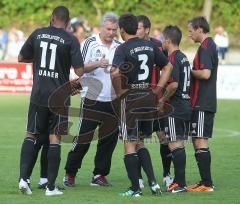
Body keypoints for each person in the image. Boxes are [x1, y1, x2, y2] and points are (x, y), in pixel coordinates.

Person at [18, 6, 84, 196]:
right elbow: (79, 71)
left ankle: (24, 180)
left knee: (31, 134)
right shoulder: (71, 39)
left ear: (52, 17)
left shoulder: (38, 34)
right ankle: (50, 187)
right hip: (59, 97)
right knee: (55, 138)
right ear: (67, 20)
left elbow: (21, 57)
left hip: (38, 94)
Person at [111, 13, 173, 197]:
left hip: (131, 98)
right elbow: (168, 67)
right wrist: (158, 88)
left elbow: (114, 73)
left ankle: (135, 188)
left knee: (129, 144)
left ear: (122, 29)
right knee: (139, 142)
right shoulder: (151, 45)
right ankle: (153, 183)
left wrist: (120, 91)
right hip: (148, 96)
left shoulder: (122, 49)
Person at [63, 12, 120, 187]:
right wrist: (97, 64)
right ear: (101, 27)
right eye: (109, 29)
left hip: (112, 100)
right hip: (92, 98)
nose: (111, 33)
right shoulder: (90, 43)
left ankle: (99, 175)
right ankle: (70, 173)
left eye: (114, 29)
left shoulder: (119, 46)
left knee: (108, 140)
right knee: (83, 138)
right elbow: (79, 68)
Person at [136, 15, 173, 188]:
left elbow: (166, 69)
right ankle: (138, 178)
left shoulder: (158, 46)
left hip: (156, 100)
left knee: (162, 137)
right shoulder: (129, 46)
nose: (136, 31)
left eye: (139, 27)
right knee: (137, 139)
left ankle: (167, 174)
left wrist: (159, 93)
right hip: (137, 101)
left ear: (147, 30)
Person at [187, 16, 218, 192]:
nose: (189, 34)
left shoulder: (205, 47)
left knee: (200, 140)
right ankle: (204, 182)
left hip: (202, 102)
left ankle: (207, 184)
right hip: (202, 102)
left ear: (199, 29)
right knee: (197, 140)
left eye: (191, 30)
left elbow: (205, 74)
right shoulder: (208, 46)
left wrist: (188, 71)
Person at [160, 25, 192, 193]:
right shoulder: (184, 57)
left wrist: (162, 100)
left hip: (175, 107)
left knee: (174, 144)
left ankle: (180, 184)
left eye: (162, 39)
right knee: (178, 144)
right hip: (185, 105)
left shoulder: (172, 59)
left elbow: (173, 84)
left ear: (168, 40)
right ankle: (179, 182)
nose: (161, 42)